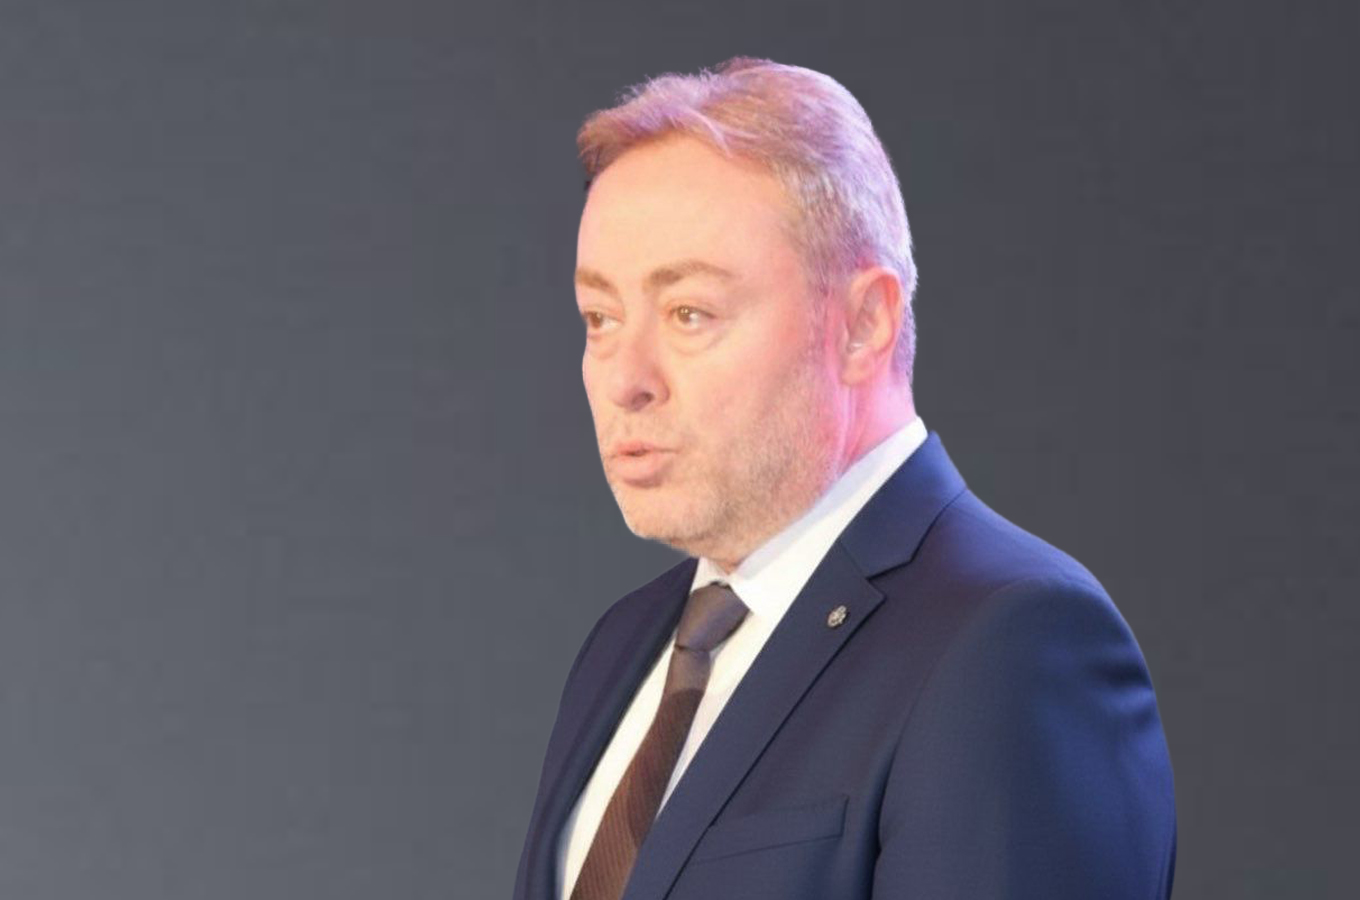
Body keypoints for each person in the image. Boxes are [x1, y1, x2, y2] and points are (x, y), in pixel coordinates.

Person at [513, 56, 1176, 900]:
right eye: (601, 318)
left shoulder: (1012, 643)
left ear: (864, 324)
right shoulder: (626, 644)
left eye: (689, 313)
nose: (625, 379)